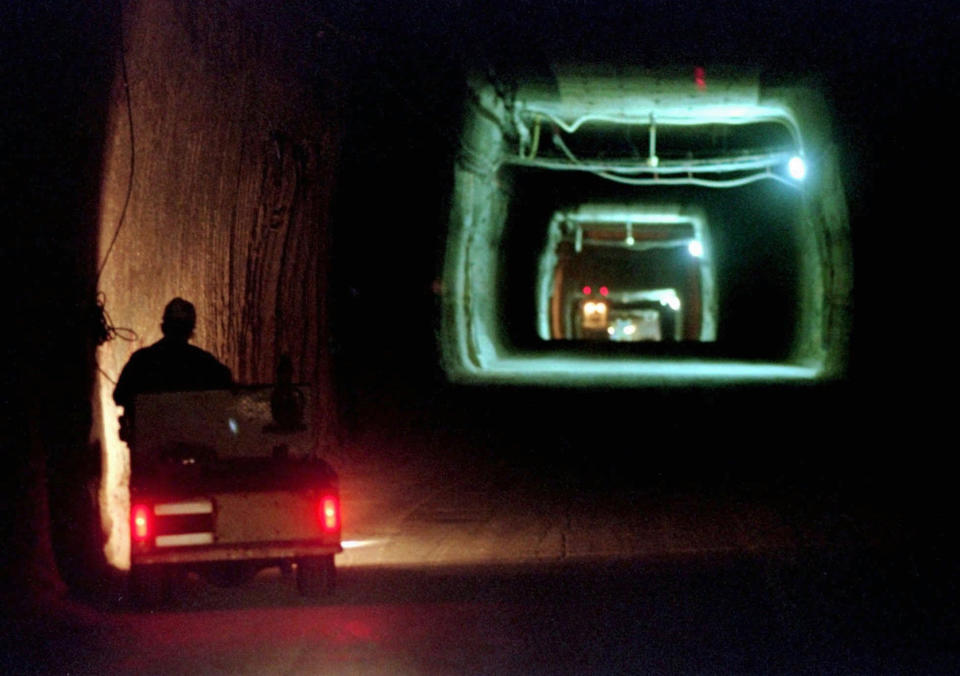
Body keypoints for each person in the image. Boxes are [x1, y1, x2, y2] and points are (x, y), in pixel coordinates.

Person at [113, 298, 232, 437]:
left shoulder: (141, 359)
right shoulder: (204, 361)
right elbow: (227, 385)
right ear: (190, 331)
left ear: (163, 327)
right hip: (195, 443)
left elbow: (119, 396)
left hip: (151, 443)